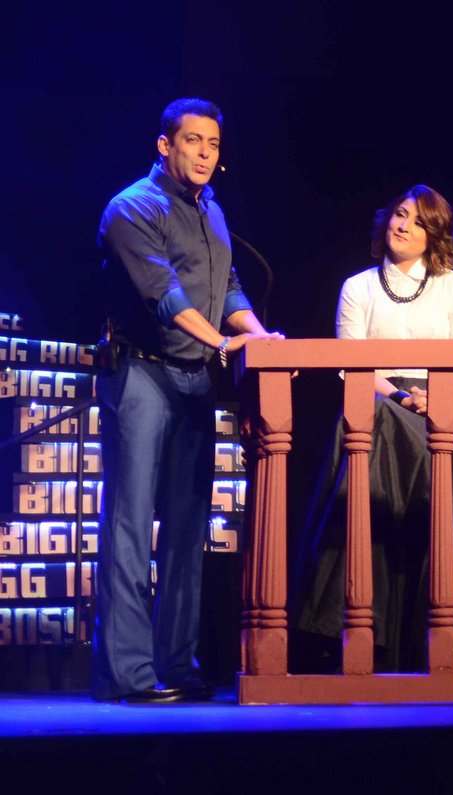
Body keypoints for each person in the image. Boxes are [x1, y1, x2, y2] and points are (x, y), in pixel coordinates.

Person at [94, 98, 282, 703]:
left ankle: (176, 665)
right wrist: (224, 343)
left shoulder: (212, 212)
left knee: (187, 525)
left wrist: (263, 340)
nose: (205, 153)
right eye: (193, 140)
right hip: (141, 374)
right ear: (165, 144)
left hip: (195, 378)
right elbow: (165, 295)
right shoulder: (131, 207)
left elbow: (229, 288)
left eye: (214, 144)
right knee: (130, 522)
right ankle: (126, 674)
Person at [295, 185, 453, 672]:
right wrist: (398, 396)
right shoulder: (358, 286)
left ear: (434, 234)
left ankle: (413, 633)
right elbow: (351, 365)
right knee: (370, 424)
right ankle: (355, 621)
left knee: (405, 436)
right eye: (399, 214)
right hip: (380, 401)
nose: (403, 225)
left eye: (417, 221)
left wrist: (436, 399)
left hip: (446, 404)